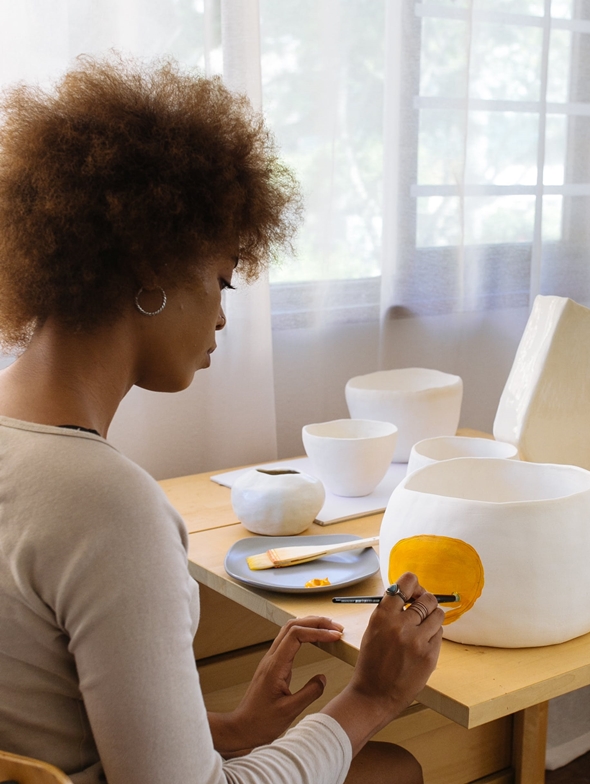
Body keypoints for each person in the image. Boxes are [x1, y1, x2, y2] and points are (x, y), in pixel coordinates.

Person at [0, 55, 445, 784]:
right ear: (151, 269)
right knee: (391, 768)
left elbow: (43, 702)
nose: (223, 314)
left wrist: (230, 729)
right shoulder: (106, 505)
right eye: (221, 277)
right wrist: (371, 697)